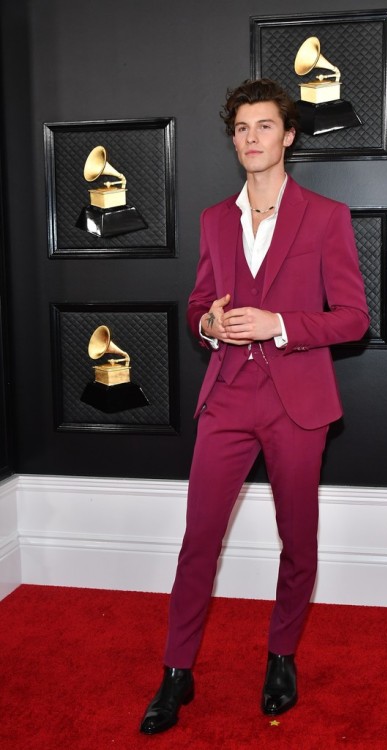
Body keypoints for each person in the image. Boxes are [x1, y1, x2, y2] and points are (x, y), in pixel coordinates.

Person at [139, 78, 369, 735]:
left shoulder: (325, 217)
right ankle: (176, 674)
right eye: (242, 129)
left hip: (297, 400)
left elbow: (353, 319)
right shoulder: (215, 220)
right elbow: (197, 305)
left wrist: (280, 323)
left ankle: (281, 659)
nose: (251, 139)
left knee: (297, 541)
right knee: (198, 541)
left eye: (264, 126)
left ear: (289, 135)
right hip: (229, 396)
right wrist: (209, 321)